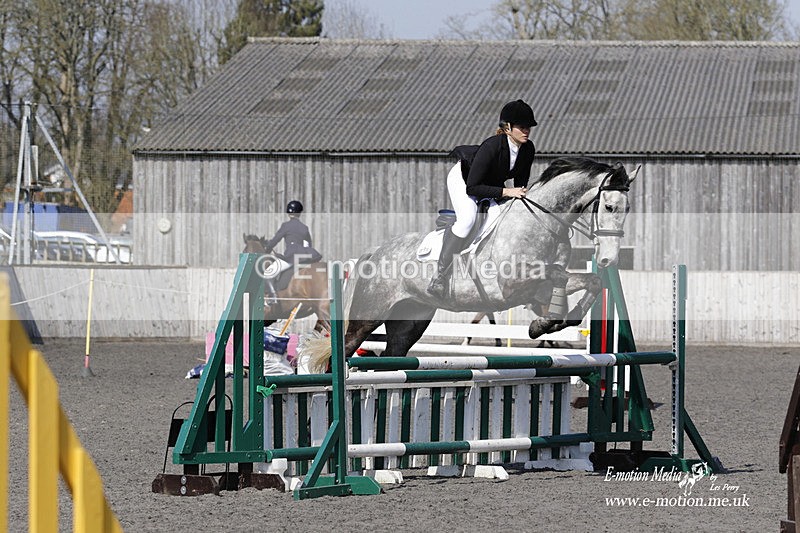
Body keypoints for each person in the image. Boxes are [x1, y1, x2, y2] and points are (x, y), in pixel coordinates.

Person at [427, 99, 537, 299]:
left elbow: (520, 185)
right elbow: (473, 187)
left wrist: (518, 196)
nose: (526, 131)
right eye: (522, 127)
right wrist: (507, 192)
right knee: (467, 220)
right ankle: (439, 277)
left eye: (528, 127)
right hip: (464, 180)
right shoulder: (492, 146)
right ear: (508, 127)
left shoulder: (528, 149)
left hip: (491, 184)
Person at [263, 200, 322, 304]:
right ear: (300, 213)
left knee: (268, 273)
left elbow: (276, 240)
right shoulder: (304, 227)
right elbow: (308, 244)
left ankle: (273, 297)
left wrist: (267, 249)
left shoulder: (286, 226)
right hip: (305, 256)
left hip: (291, 257)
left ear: (288, 212)